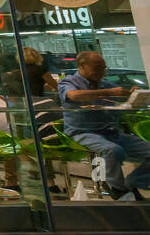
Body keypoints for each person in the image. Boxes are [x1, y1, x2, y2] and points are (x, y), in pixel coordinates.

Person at [59, 51, 149, 201]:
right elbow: (73, 95)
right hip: (82, 132)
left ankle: (132, 183)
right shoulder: (69, 82)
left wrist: (132, 94)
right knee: (113, 150)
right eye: (97, 67)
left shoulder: (105, 83)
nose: (101, 72)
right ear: (82, 66)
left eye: (103, 68)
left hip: (111, 132)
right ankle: (117, 188)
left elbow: (123, 94)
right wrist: (108, 92)